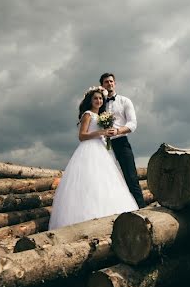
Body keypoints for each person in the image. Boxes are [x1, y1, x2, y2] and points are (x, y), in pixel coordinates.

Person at [48, 86, 139, 230]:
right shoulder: (87, 114)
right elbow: (82, 136)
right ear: (90, 101)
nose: (98, 100)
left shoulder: (102, 116)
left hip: (102, 149)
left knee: (106, 182)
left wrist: (106, 134)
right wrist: (100, 132)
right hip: (88, 150)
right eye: (95, 98)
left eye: (101, 98)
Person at [100, 72, 146, 208]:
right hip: (103, 146)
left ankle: (142, 209)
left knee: (131, 178)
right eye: (106, 82)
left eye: (111, 81)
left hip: (121, 142)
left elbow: (133, 124)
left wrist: (118, 131)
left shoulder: (124, 101)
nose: (109, 84)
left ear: (115, 83)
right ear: (102, 85)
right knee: (109, 179)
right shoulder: (99, 104)